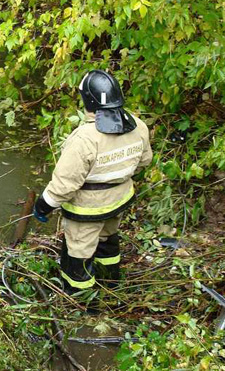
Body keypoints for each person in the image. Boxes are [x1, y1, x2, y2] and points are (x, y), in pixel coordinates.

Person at [32, 70, 152, 294]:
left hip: (87, 209)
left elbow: (64, 185)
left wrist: (43, 205)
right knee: (107, 241)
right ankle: (110, 286)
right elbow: (144, 161)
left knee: (79, 253)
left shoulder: (84, 139)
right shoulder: (138, 126)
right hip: (118, 200)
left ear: (87, 99)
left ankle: (82, 303)